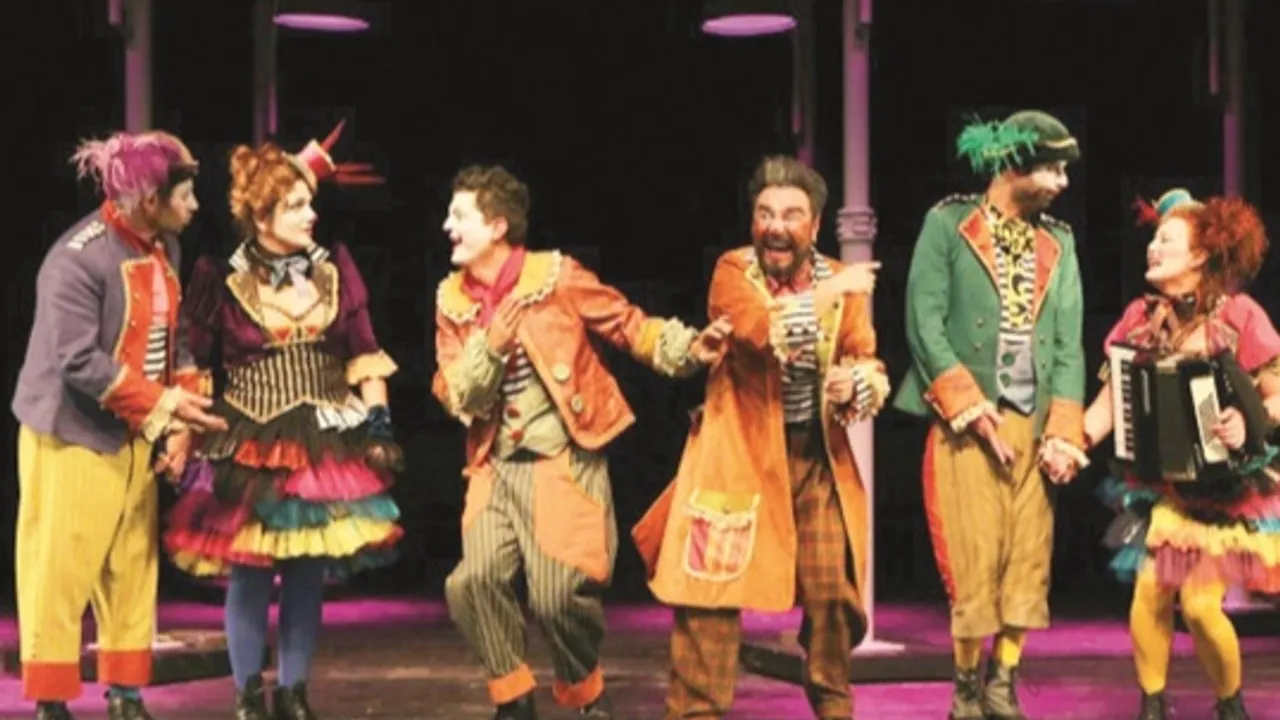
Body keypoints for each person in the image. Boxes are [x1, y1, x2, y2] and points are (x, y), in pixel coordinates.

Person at [432, 164, 731, 720]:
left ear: (497, 227)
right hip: (495, 463)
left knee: (557, 595)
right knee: (471, 582)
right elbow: (456, 393)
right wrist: (491, 348)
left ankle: (584, 690)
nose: (448, 226)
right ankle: (513, 699)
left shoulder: (556, 277)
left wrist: (690, 348)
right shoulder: (451, 299)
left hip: (561, 457)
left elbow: (628, 324)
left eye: (459, 215)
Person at [631, 155, 887, 720]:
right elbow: (759, 329)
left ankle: (835, 709)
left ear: (813, 225)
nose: (775, 226)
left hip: (814, 461)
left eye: (791, 215)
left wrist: (853, 384)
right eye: (765, 213)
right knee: (708, 598)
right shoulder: (733, 271)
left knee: (835, 596)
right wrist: (829, 293)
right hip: (737, 460)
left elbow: (865, 358)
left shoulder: (838, 282)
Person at [162, 123, 404, 720]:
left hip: (324, 439)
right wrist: (183, 433)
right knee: (248, 568)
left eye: (309, 203)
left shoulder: (334, 268)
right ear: (261, 216)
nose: (310, 215)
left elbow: (364, 352)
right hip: (248, 438)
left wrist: (379, 423)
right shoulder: (220, 276)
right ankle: (248, 694)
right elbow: (194, 362)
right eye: (295, 205)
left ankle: (294, 691)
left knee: (306, 570)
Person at [11, 130, 225, 720]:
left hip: (135, 432)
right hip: (72, 435)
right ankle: (51, 699)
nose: (195, 205)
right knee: (61, 566)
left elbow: (173, 339)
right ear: (149, 199)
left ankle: (126, 694)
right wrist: (164, 405)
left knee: (132, 565)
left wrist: (180, 422)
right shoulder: (77, 260)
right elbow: (78, 360)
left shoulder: (164, 247)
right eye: (185, 194)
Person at [892, 110, 1089, 720]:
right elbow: (924, 323)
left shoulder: (1059, 241)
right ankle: (965, 689)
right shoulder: (948, 224)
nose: (1061, 182)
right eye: (1052, 168)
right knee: (972, 556)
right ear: (1013, 164)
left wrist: (1064, 434)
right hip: (968, 422)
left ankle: (1003, 682)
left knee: (1027, 556)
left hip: (1033, 420)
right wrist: (970, 409)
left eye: (1064, 170)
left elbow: (1068, 343)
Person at [1082, 188, 1280, 720]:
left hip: (1227, 491)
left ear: (1199, 255)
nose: (1153, 247)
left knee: (1197, 605)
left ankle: (1230, 703)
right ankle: (1152, 703)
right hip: (1167, 486)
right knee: (1149, 593)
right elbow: (1113, 396)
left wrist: (1248, 422)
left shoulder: (1240, 316)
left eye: (1166, 239)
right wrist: (1074, 441)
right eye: (1153, 239)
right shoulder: (1141, 318)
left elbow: (1277, 393)